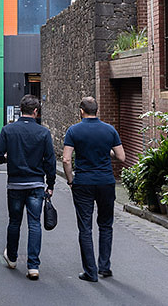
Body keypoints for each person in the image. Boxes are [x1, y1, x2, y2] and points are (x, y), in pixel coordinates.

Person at [0, 94, 56, 280]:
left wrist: (7, 158)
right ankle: (33, 266)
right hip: (36, 184)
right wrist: (50, 185)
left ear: (21, 109)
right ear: (36, 111)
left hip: (15, 185)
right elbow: (50, 162)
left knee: (14, 222)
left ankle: (12, 258)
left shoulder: (8, 130)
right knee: (34, 224)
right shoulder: (43, 133)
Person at [62, 96, 126, 282]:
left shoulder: (74, 130)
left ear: (81, 111)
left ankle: (90, 271)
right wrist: (106, 150)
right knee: (106, 225)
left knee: (85, 228)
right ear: (97, 110)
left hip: (83, 182)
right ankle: (104, 267)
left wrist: (71, 179)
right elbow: (121, 156)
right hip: (106, 182)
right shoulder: (109, 130)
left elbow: (66, 159)